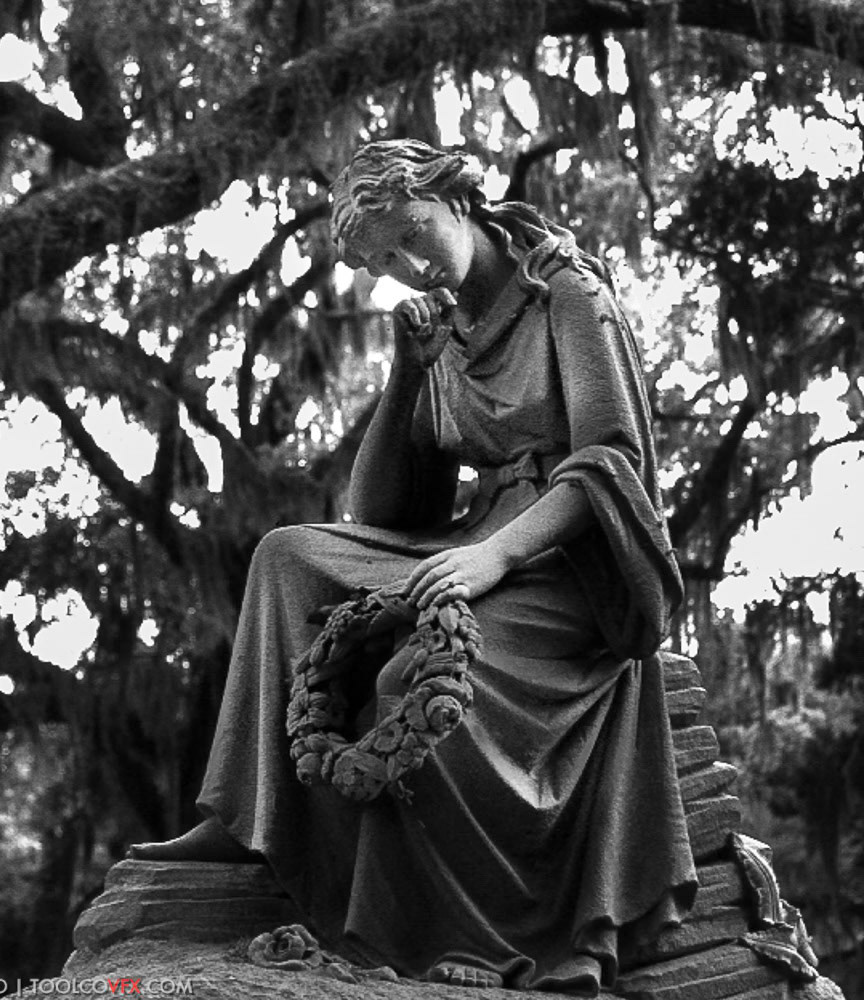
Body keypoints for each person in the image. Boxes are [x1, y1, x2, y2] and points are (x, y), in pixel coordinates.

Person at [130, 139, 697, 993]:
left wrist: (496, 557)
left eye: (410, 237)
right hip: (468, 537)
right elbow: (391, 513)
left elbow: (610, 461)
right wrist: (409, 375)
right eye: (383, 261)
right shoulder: (444, 325)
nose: (406, 266)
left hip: (566, 557)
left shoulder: (566, 294)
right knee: (287, 557)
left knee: (408, 685)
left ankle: (467, 932)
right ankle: (243, 815)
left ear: (456, 197)